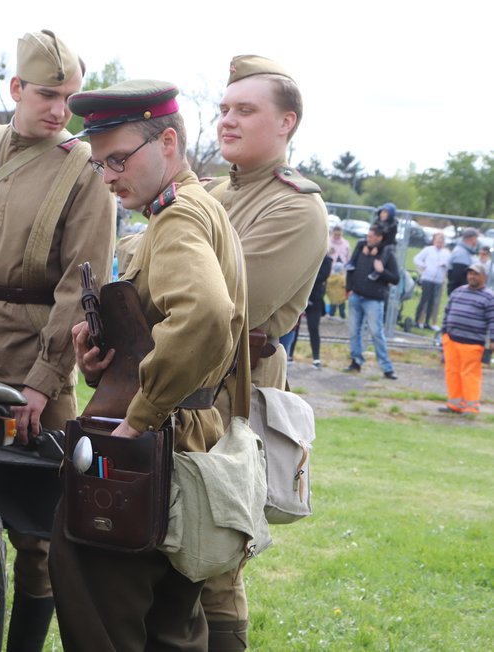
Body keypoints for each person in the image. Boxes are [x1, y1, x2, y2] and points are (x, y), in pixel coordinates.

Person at [50, 79, 247, 652]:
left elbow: (208, 315)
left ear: (167, 141)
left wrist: (140, 415)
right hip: (184, 444)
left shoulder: (178, 217)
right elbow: (168, 331)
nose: (108, 177)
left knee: (100, 613)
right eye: (100, 163)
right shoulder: (194, 208)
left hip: (153, 448)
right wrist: (104, 362)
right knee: (172, 628)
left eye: (118, 159)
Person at [0, 29, 115, 652]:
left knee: (40, 532)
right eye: (46, 94)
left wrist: (43, 382)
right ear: (15, 88)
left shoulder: (85, 169)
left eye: (69, 98)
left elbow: (80, 283)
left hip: (34, 354)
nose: (59, 110)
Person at [202, 54, 328, 650]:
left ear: (287, 123)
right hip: (181, 381)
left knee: (215, 553)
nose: (227, 120)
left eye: (245, 110)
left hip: (234, 389)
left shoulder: (296, 206)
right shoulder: (209, 192)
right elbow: (140, 254)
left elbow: (224, 301)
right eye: (224, 109)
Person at [344, 223, 400, 378]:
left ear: (379, 238)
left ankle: (386, 367)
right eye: (367, 236)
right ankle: (356, 361)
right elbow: (351, 268)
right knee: (354, 332)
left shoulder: (386, 253)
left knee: (376, 333)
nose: (368, 239)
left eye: (371, 237)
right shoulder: (361, 247)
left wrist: (382, 272)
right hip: (356, 296)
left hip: (374, 300)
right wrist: (349, 288)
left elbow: (395, 278)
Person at [438, 263, 494, 414]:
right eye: (470, 274)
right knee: (452, 372)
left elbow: (492, 320)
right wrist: (444, 333)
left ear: (484, 277)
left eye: (475, 274)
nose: (472, 277)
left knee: (469, 374)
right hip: (451, 340)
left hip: (472, 343)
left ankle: (471, 406)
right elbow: (447, 311)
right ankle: (454, 404)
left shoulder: (489, 297)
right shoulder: (458, 292)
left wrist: (492, 341)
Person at [413, 232, 451, 329]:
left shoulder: (446, 253)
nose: (439, 243)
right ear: (434, 241)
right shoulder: (428, 250)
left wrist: (445, 265)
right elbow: (417, 259)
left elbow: (450, 264)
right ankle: (417, 321)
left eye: (441, 241)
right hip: (427, 278)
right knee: (424, 300)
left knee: (433, 302)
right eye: (438, 241)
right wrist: (423, 266)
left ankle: (428, 322)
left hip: (439, 280)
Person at [304, 255, 332, 368]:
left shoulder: (326, 260)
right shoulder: (306, 255)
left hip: (315, 298)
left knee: (313, 328)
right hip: (301, 295)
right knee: (292, 329)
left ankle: (316, 357)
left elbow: (322, 277)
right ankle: (289, 355)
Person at [448, 227, 480, 294]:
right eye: (476, 238)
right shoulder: (461, 253)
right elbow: (458, 277)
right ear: (471, 238)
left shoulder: (466, 252)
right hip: (459, 293)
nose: (477, 241)